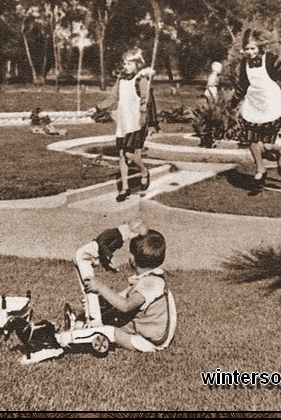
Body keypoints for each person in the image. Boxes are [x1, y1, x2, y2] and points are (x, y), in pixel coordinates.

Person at [57, 229, 177, 354]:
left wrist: (100, 287)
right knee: (110, 312)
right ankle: (80, 326)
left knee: (109, 331)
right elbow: (122, 296)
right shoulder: (151, 279)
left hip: (148, 342)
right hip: (146, 332)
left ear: (132, 258)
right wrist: (98, 300)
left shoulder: (151, 283)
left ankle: (64, 339)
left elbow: (125, 306)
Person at [227, 29, 281, 182]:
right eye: (246, 49)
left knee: (268, 146)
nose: (249, 52)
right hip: (253, 103)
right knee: (250, 138)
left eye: (252, 48)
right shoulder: (244, 64)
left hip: (271, 104)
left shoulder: (272, 60)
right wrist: (232, 103)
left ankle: (280, 153)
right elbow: (242, 85)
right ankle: (260, 168)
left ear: (260, 47)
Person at [89, 48, 159, 202]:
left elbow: (147, 102)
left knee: (128, 153)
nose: (125, 66)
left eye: (129, 63)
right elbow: (113, 97)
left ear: (137, 65)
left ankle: (144, 171)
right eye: (125, 63)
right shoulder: (121, 80)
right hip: (123, 122)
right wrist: (97, 107)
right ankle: (125, 188)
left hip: (136, 122)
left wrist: (147, 121)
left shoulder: (141, 80)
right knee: (121, 155)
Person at [69, 219, 148, 328]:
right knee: (91, 289)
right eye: (134, 235)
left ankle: (87, 319)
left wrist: (108, 265)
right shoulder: (115, 234)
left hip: (85, 257)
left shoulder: (118, 238)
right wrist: (110, 258)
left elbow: (101, 252)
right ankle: (95, 322)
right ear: (132, 231)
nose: (130, 239)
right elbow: (101, 242)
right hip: (84, 257)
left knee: (87, 289)